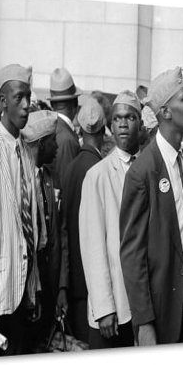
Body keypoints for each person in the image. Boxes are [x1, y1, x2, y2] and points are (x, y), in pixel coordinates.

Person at [120, 67, 183, 346]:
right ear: (165, 112)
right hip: (160, 308)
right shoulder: (143, 170)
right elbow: (132, 254)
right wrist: (144, 322)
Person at [0, 64, 42, 355]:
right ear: (3, 101)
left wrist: (34, 287)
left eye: (28, 97)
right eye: (18, 97)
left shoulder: (27, 153)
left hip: (25, 292)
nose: (25, 105)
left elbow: (29, 227)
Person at [79, 91, 143, 349]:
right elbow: (92, 246)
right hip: (113, 305)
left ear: (140, 122)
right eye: (117, 119)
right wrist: (104, 308)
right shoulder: (98, 175)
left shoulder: (149, 168)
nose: (123, 124)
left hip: (141, 302)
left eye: (130, 117)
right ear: (110, 125)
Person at [61, 96, 106, 342]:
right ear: (104, 129)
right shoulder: (100, 169)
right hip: (94, 284)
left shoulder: (71, 167)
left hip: (75, 281)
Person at [21, 110, 68, 348]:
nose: (57, 146)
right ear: (41, 144)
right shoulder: (22, 180)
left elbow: (60, 236)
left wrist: (61, 287)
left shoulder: (51, 177)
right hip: (28, 286)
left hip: (50, 284)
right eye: (53, 141)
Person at [47, 67, 81, 191]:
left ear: (52, 104)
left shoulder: (51, 127)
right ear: (75, 103)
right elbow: (67, 185)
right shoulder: (67, 138)